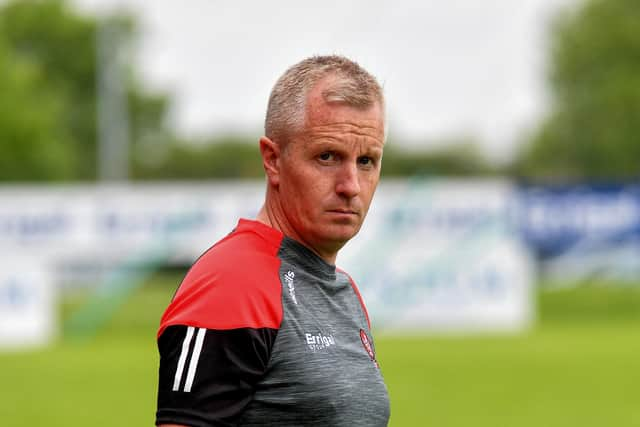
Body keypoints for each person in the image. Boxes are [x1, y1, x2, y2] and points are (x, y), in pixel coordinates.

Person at [155, 55, 390, 427]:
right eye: (327, 157)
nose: (351, 186)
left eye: (366, 161)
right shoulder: (232, 281)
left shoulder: (344, 289)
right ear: (273, 160)